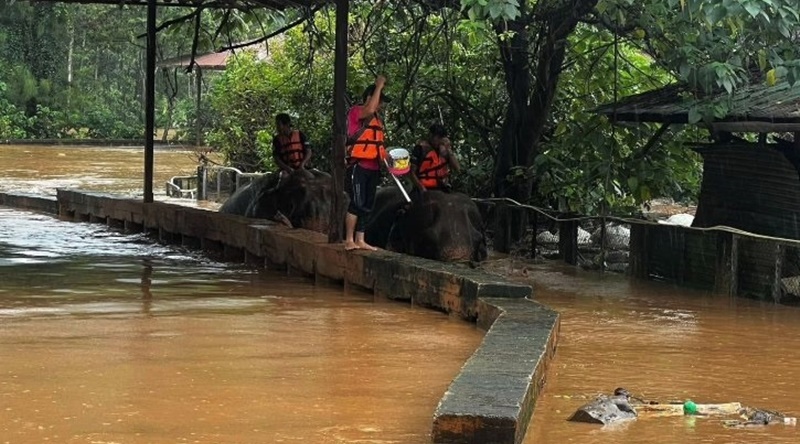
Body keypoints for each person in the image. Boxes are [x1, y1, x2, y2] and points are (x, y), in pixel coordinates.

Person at [344, 75, 391, 251]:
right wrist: (379, 85)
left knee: (368, 204)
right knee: (357, 202)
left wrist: (389, 160)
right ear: (370, 98)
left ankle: (360, 239)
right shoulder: (357, 112)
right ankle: (349, 239)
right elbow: (369, 110)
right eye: (379, 100)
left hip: (373, 167)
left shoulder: (378, 121)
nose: (381, 105)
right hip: (359, 166)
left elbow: (379, 147)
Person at [409, 123, 460, 193]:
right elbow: (412, 172)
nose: (439, 140)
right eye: (438, 137)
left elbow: (457, 168)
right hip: (423, 188)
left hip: (442, 188)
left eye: (441, 138)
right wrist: (421, 188)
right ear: (431, 135)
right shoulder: (420, 148)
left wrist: (448, 149)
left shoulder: (443, 150)